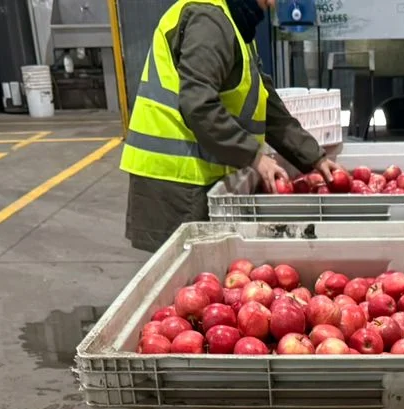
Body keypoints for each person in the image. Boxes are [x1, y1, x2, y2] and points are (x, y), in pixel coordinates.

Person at [122, 0, 341, 252]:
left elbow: (263, 103)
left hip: (200, 177)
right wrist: (254, 156)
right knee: (186, 274)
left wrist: (314, 157)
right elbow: (199, 105)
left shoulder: (237, 23)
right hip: (174, 181)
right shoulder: (209, 21)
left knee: (208, 277)